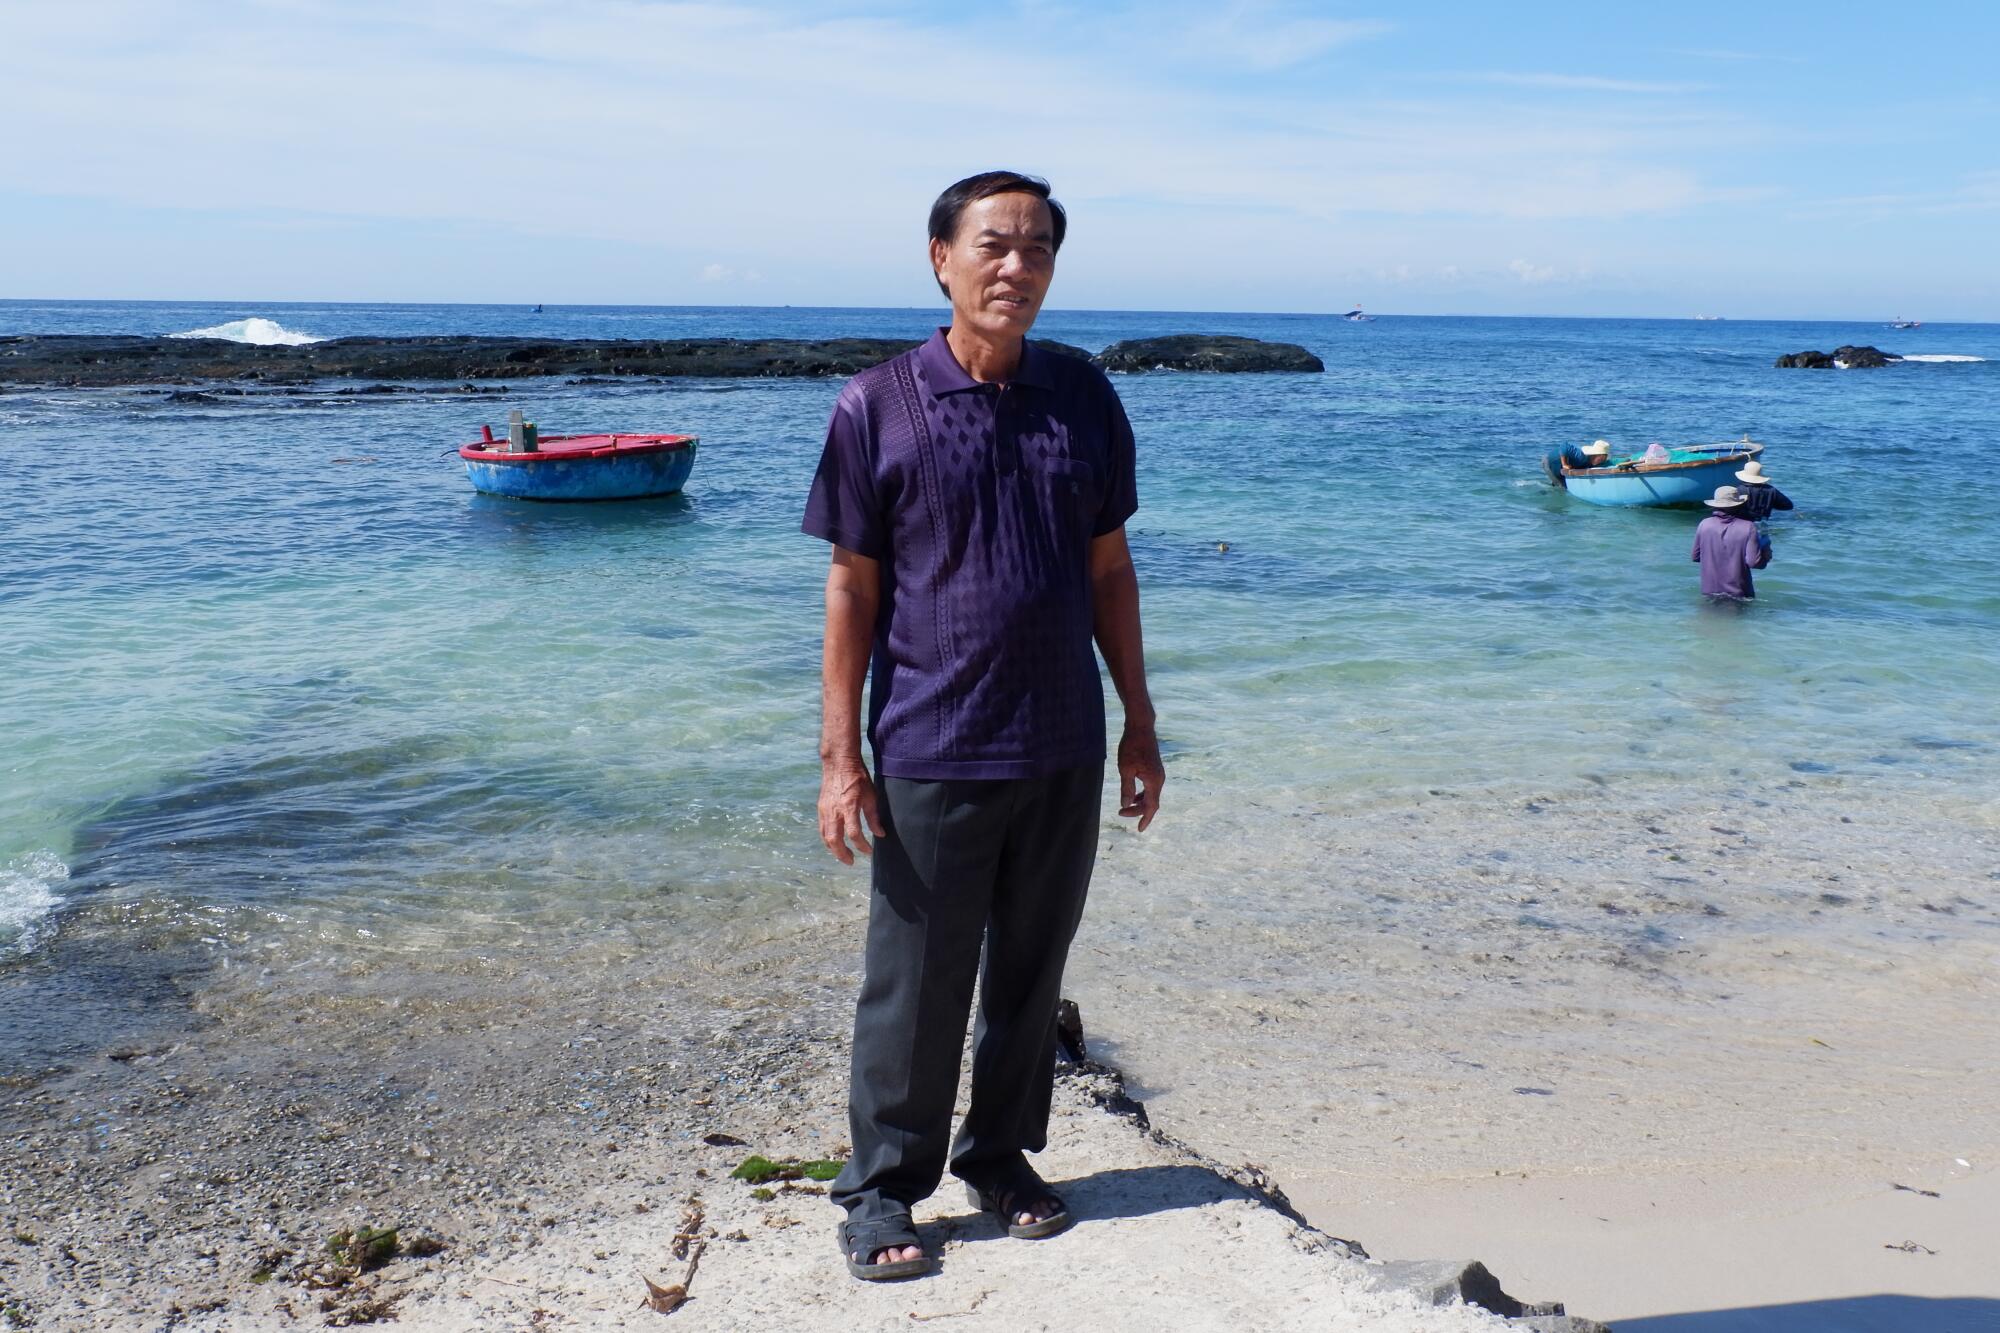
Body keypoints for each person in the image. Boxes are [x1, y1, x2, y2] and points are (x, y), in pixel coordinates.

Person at [802, 170, 1165, 1281]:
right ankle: (879, 1188)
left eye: (1038, 250)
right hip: (930, 743)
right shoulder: (877, 404)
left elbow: (1109, 568)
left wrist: (1138, 722)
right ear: (939, 258)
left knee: (1028, 971)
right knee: (913, 983)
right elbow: (851, 587)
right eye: (994, 245)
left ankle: (998, 1156)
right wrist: (839, 757)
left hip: (1058, 738)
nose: (1016, 267)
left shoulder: (1083, 397)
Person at [1692, 485, 1763, 600]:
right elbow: (1753, 563)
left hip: (1709, 591)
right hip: (1739, 593)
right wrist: (1765, 550)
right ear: (1738, 505)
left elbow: (1695, 557)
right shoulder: (1749, 527)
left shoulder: (1704, 524)